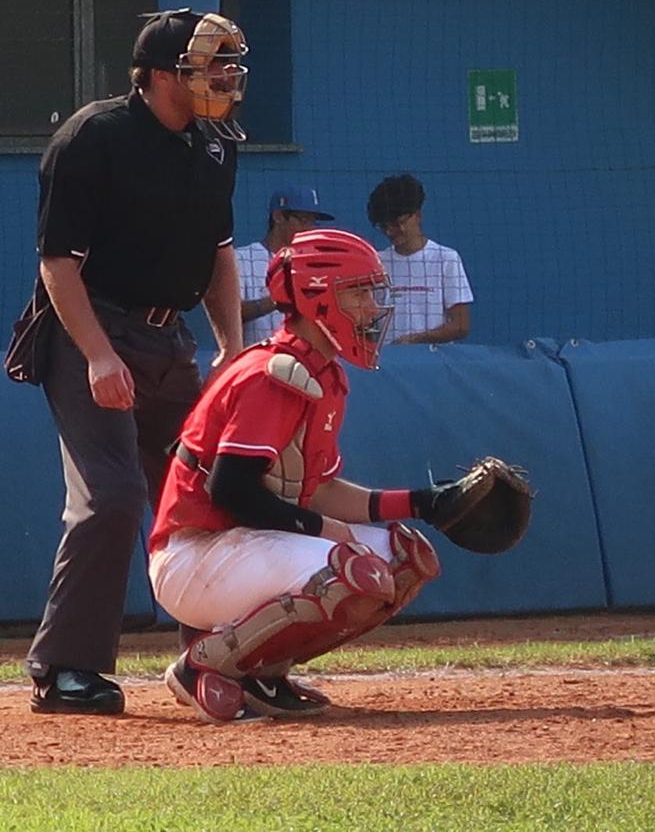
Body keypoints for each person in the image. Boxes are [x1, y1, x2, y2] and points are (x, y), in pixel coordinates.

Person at [5, 9, 248, 716]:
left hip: (169, 340)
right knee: (112, 496)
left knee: (206, 493)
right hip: (92, 330)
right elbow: (57, 263)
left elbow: (219, 258)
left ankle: (223, 657)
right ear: (162, 75)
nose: (226, 76)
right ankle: (66, 668)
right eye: (211, 65)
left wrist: (231, 347)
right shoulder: (94, 137)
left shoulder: (215, 145)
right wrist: (99, 355)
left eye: (231, 63)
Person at [150, 229, 482, 723]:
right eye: (358, 291)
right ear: (314, 297)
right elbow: (231, 489)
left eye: (373, 291)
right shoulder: (271, 374)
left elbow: (320, 490)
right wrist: (328, 532)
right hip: (194, 555)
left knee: (406, 558)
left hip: (241, 549)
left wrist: (423, 502)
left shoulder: (321, 371)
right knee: (354, 568)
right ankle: (204, 666)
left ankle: (262, 668)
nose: (372, 307)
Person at [366, 173, 473, 345]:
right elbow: (367, 321)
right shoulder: (376, 262)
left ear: (417, 215)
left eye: (397, 223)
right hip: (388, 364)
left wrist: (416, 340)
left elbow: (461, 325)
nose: (390, 232)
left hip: (433, 362)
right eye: (384, 226)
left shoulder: (446, 259)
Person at [237, 185, 335, 347]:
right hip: (258, 358)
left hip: (302, 360)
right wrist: (278, 299)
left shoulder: (317, 264)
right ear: (278, 216)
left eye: (313, 222)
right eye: (304, 220)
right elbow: (230, 314)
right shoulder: (242, 258)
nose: (309, 228)